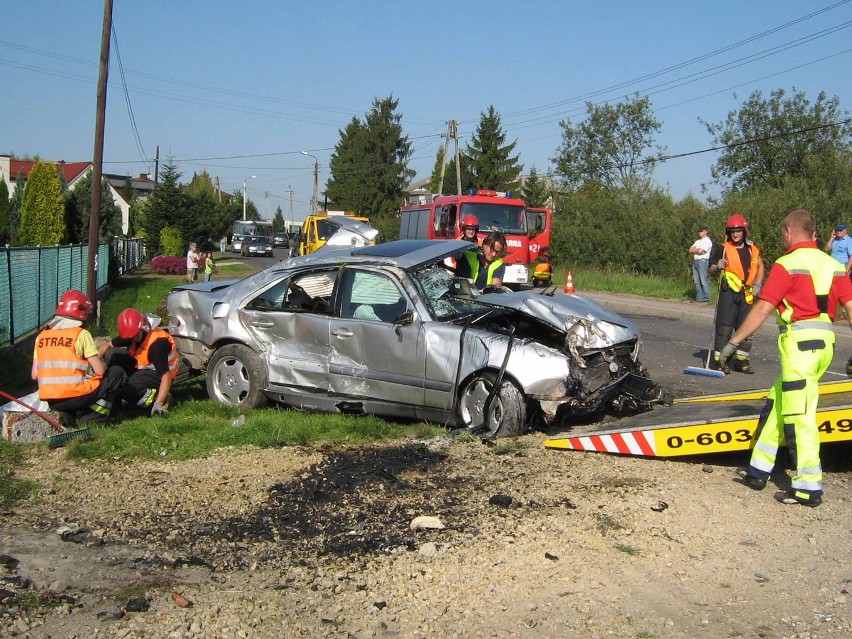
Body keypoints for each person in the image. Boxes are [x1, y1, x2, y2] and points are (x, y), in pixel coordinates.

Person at [723, 209, 852, 507]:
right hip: (824, 346)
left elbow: (762, 308)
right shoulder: (833, 265)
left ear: (789, 231)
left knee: (801, 416)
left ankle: (808, 488)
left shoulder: (787, 265)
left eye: (782, 233)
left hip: (799, 348)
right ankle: (758, 470)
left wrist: (734, 342)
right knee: (779, 400)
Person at [31, 290, 126, 427]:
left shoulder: (41, 337)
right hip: (75, 395)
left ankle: (69, 415)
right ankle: (93, 418)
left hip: (51, 399)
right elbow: (99, 371)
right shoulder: (81, 334)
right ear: (82, 312)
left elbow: (35, 375)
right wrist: (104, 365)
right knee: (116, 373)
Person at [708, 214, 765, 373]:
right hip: (728, 293)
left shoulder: (753, 249)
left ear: (744, 231)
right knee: (725, 327)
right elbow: (711, 270)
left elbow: (760, 267)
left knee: (746, 327)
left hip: (747, 294)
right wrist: (717, 266)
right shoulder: (723, 248)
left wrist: (758, 284)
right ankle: (720, 361)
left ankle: (741, 361)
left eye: (738, 231)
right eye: (732, 231)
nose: (735, 234)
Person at [99, 308, 180, 417]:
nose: (132, 339)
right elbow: (107, 345)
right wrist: (97, 363)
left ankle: (158, 398)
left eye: (134, 336)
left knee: (126, 388)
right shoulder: (133, 333)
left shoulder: (157, 345)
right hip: (142, 366)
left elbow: (166, 377)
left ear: (143, 328)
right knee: (112, 354)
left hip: (158, 373)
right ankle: (115, 404)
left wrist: (158, 404)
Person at [688, 226, 713, 302]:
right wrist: (697, 250)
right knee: (696, 281)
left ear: (705, 232)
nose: (700, 232)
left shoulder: (707, 241)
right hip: (696, 261)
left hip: (703, 261)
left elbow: (701, 251)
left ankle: (706, 297)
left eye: (701, 231)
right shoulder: (697, 241)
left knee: (703, 280)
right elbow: (690, 249)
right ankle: (699, 297)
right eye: (699, 231)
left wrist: (696, 250)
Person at [454, 214, 482, 281]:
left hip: (476, 275)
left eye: (473, 229)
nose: (471, 232)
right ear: (463, 230)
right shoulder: (458, 243)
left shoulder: (479, 243)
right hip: (461, 276)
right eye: (469, 229)